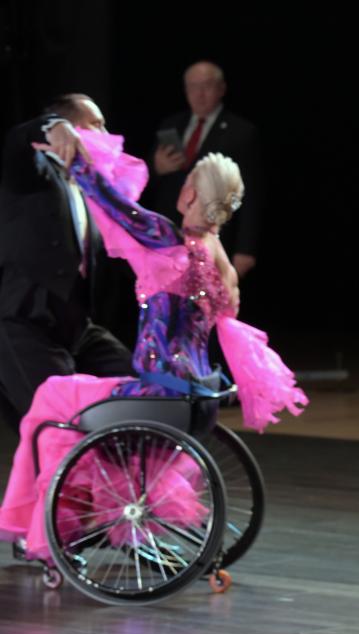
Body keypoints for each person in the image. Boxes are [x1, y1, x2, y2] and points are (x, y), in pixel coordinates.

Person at [0, 129, 305, 564]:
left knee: (52, 398)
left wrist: (79, 163)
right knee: (87, 397)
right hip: (196, 400)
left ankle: (48, 538)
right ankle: (108, 525)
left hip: (158, 398)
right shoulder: (222, 266)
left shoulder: (168, 241)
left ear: (187, 195)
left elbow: (115, 206)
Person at [0, 95, 132, 431]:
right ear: (71, 129)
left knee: (138, 385)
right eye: (96, 124)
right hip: (25, 321)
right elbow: (17, 139)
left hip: (76, 326)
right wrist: (53, 126)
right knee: (62, 424)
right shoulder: (33, 174)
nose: (105, 132)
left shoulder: (87, 185)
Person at [146, 61, 262, 277]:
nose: (199, 94)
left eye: (206, 86)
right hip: (170, 235)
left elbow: (252, 195)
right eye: (192, 86)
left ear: (221, 89)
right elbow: (145, 183)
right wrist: (155, 167)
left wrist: (245, 249)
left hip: (215, 235)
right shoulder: (171, 125)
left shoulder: (241, 132)